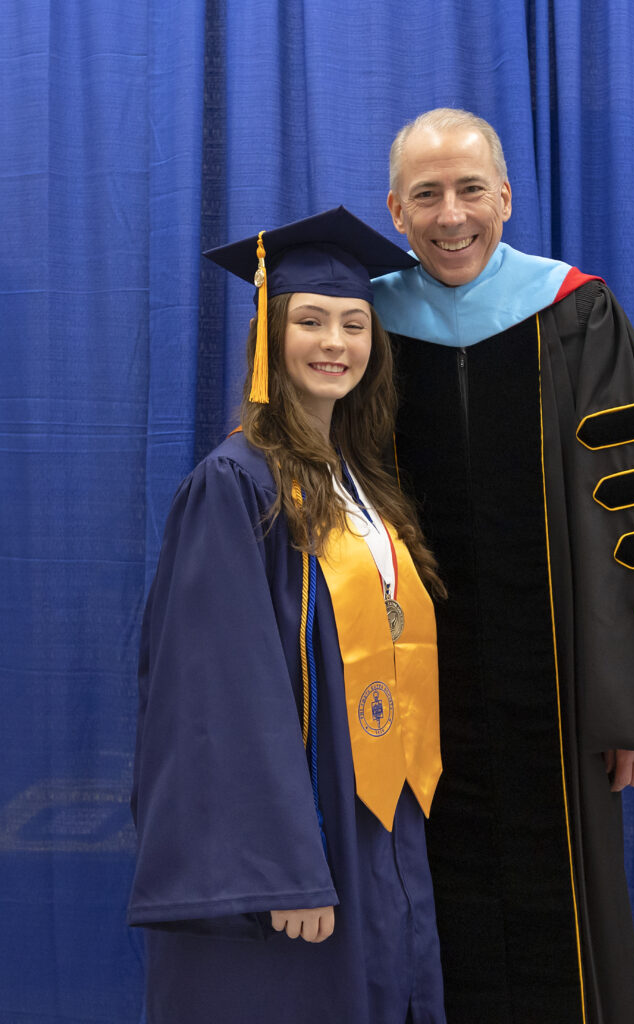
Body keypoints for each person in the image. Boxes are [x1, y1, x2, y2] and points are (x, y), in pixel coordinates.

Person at [372, 110, 634, 1024]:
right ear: (395, 211)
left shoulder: (573, 311)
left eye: (469, 190)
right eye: (427, 195)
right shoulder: (362, 323)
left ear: (506, 196)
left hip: (563, 689)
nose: (451, 215)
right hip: (411, 688)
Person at [128, 207, 447, 1024]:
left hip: (374, 826)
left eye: (353, 323)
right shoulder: (235, 486)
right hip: (298, 845)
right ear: (268, 335)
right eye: (308, 320)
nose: (334, 342)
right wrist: (281, 868)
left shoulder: (363, 486)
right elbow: (215, 695)